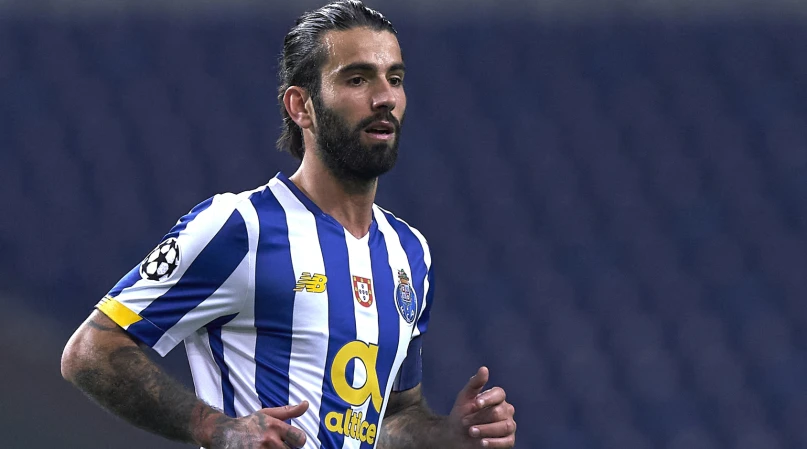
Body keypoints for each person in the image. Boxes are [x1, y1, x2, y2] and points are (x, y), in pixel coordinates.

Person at [60, 1, 517, 448]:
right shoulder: (239, 227)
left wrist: (448, 435)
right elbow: (91, 351)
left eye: (394, 79)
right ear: (301, 106)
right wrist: (217, 428)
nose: (385, 98)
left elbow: (391, 416)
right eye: (357, 79)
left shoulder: (409, 251)